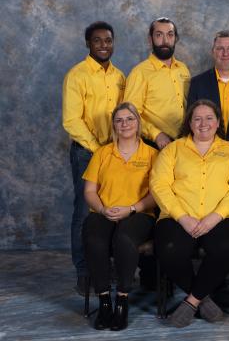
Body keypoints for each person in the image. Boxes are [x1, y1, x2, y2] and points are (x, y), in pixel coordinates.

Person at [151, 99, 229, 328]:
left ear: (218, 123)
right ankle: (203, 300)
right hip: (178, 216)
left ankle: (192, 301)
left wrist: (215, 217)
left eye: (209, 118)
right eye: (197, 118)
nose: (203, 123)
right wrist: (181, 216)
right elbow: (159, 185)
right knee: (169, 250)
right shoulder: (173, 150)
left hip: (222, 217)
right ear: (189, 122)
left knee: (225, 249)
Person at [82, 102, 158, 331]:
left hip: (139, 213)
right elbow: (89, 191)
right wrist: (103, 209)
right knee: (94, 239)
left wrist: (132, 209)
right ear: (114, 125)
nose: (125, 124)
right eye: (119, 120)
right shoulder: (102, 153)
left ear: (138, 123)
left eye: (130, 119)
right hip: (104, 210)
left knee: (124, 239)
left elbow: (156, 194)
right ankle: (104, 301)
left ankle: (122, 301)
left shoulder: (152, 154)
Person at [62, 21, 125, 295]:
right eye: (98, 41)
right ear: (88, 43)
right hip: (87, 152)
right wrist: (96, 147)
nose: (103, 45)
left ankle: (106, 264)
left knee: (111, 205)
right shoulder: (77, 75)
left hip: (115, 152)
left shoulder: (120, 76)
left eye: (108, 40)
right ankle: (84, 270)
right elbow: (71, 120)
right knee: (84, 209)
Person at [124, 17, 190, 150]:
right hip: (155, 145)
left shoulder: (183, 69)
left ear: (175, 38)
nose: (165, 41)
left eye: (170, 35)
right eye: (159, 35)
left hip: (185, 143)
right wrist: (156, 134)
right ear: (150, 39)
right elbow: (129, 115)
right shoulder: (139, 73)